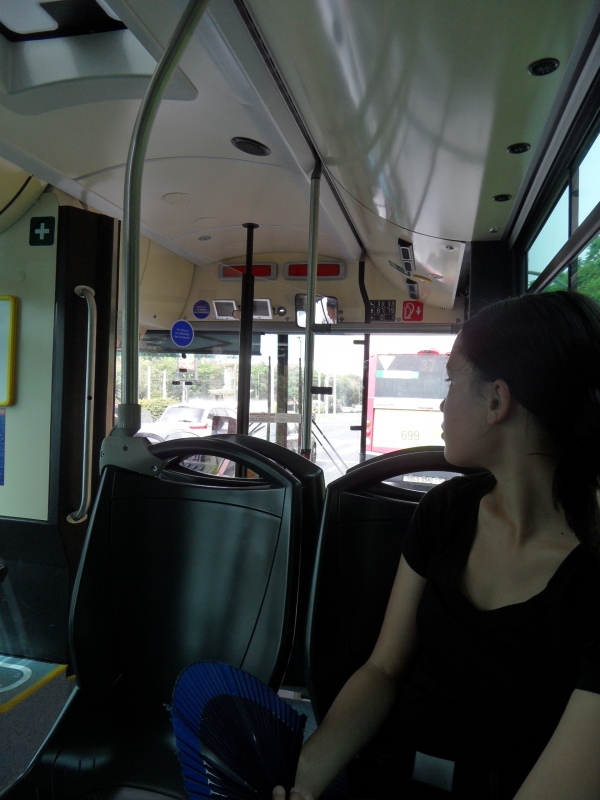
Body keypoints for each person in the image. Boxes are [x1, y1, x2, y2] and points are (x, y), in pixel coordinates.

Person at [274, 291, 600, 800]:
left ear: (496, 401)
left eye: (450, 381)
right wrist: (305, 778)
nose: (443, 404)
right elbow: (384, 669)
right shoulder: (445, 511)